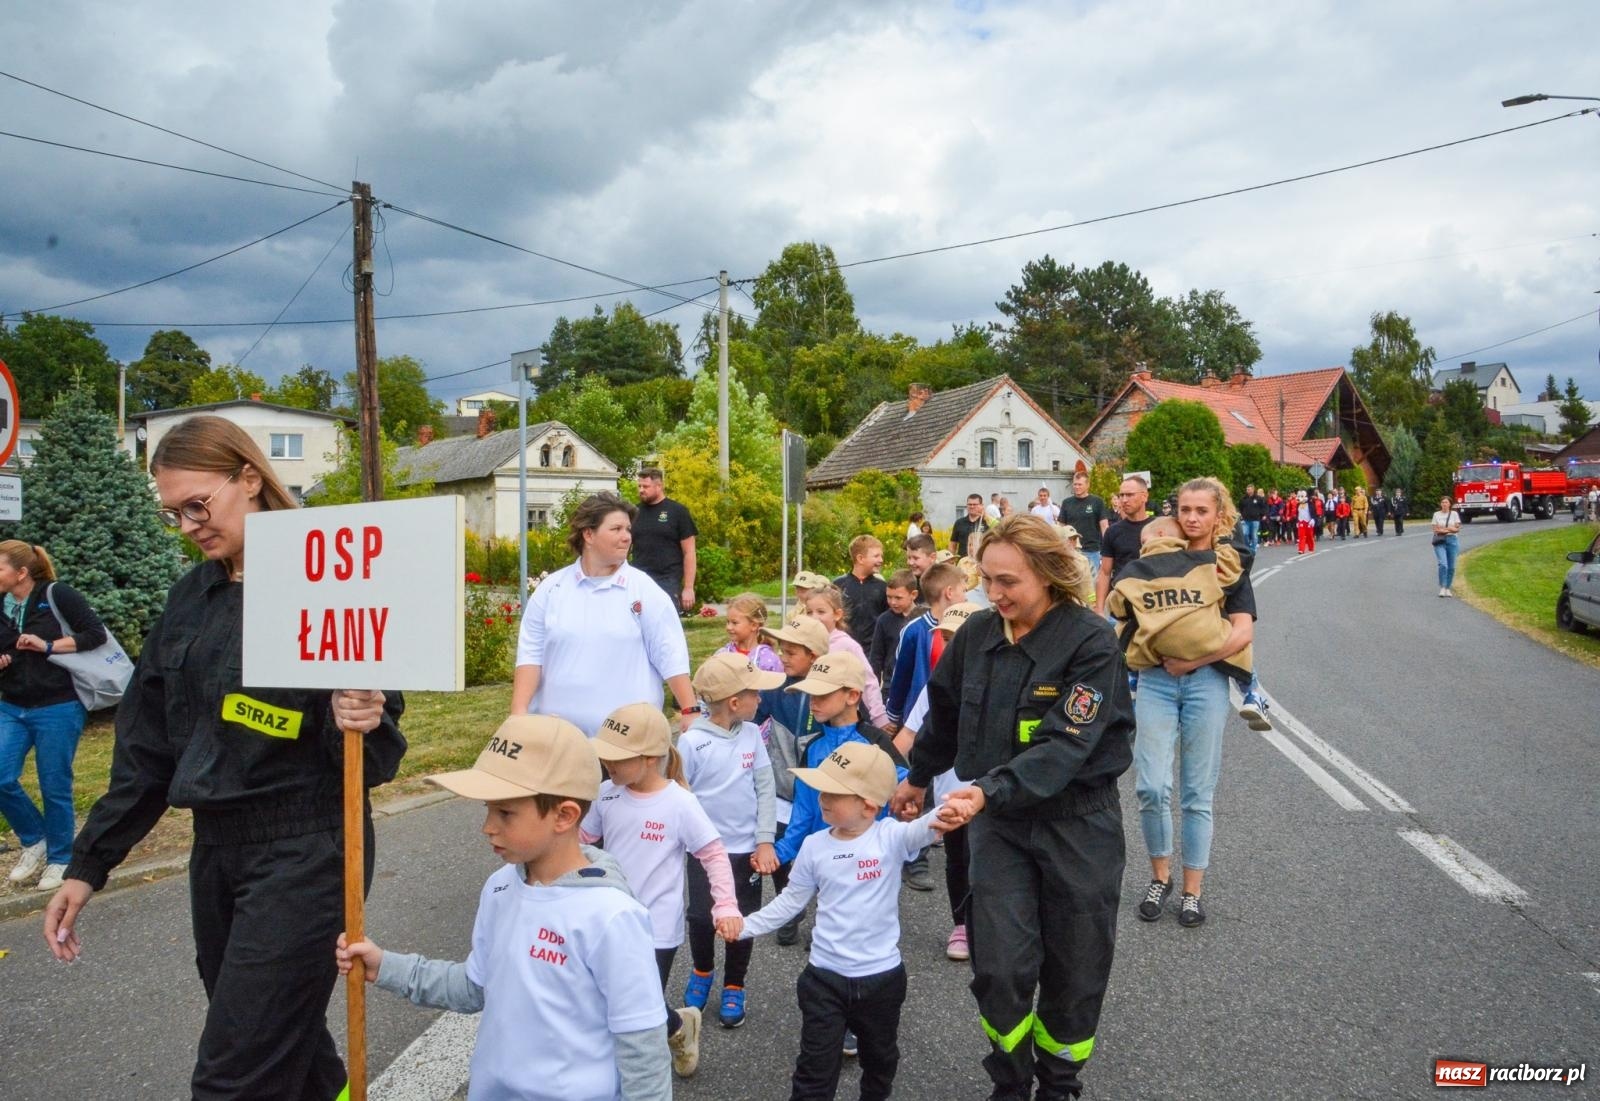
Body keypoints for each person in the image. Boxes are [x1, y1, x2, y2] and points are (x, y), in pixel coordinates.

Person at [43, 414, 407, 1100]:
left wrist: (362, 717)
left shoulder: (327, 582)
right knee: (284, 1044)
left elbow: (372, 754)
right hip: (216, 851)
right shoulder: (189, 599)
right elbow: (146, 752)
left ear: (249, 478)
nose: (187, 526)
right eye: (172, 513)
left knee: (233, 1076)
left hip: (306, 850)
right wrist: (88, 864)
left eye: (197, 505)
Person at [894, 513, 1134, 1101]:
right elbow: (945, 712)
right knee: (999, 967)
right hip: (999, 825)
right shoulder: (976, 634)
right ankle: (1010, 1079)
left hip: (1078, 823)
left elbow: (1065, 746)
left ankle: (1058, 1082)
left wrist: (985, 790)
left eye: (1008, 582)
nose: (994, 594)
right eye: (987, 580)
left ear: (1047, 574)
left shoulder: (1091, 642)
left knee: (1075, 969)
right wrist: (918, 777)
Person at [337, 714, 671, 1100]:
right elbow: (474, 987)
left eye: (505, 813)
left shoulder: (612, 916)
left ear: (564, 815)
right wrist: (386, 966)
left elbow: (643, 1048)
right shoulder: (499, 887)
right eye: (488, 809)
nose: (487, 826)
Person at [730, 744, 950, 1101]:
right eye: (821, 790)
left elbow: (926, 827)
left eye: (834, 793)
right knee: (814, 1071)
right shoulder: (814, 846)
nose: (823, 798)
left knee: (881, 1060)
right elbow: (790, 900)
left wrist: (953, 807)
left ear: (869, 806)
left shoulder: (890, 837)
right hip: (824, 978)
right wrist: (745, 926)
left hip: (882, 979)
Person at [581, 702, 740, 1078]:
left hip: (656, 927)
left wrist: (726, 906)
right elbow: (582, 841)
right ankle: (679, 1026)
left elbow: (714, 854)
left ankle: (638, 1074)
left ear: (650, 757)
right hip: (609, 920)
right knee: (617, 998)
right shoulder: (605, 794)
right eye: (604, 755)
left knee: (637, 1008)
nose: (607, 763)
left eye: (617, 757)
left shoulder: (680, 803)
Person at [1127, 478, 1255, 933]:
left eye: (1202, 510)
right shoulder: (1155, 558)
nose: (1193, 518)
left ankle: (1192, 892)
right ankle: (1159, 878)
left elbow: (1242, 631)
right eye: (1185, 509)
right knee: (1150, 786)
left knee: (1197, 793)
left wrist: (1192, 661)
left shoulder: (1228, 565)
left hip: (1205, 682)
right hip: (1155, 680)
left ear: (1218, 515)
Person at [513, 492, 696, 736]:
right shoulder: (551, 589)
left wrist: (690, 710)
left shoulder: (644, 590)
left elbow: (670, 654)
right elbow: (530, 655)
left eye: (628, 529)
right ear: (588, 534)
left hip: (628, 742)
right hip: (557, 741)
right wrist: (518, 713)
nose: (627, 537)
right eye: (616, 529)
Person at [679, 652, 783, 1028]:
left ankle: (735, 983)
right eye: (755, 693)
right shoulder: (691, 743)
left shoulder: (753, 735)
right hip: (704, 852)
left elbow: (765, 789)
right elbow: (679, 797)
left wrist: (765, 840)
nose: (761, 698)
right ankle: (702, 970)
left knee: (743, 919)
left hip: (746, 851)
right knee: (700, 917)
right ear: (735, 703)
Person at [0, 541, 108, 892]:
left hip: (58, 705)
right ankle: (35, 840)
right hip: (12, 705)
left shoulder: (57, 594)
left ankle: (61, 858)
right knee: (1, 777)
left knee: (54, 784)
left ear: (21, 573)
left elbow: (94, 635)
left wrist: (47, 645)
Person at [754, 614, 831, 946]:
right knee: (781, 851)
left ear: (814, 656)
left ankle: (827, 922)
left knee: (827, 858)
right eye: (781, 650)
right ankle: (789, 907)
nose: (782, 657)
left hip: (823, 794)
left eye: (790, 652)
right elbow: (751, 718)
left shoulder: (831, 691)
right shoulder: (775, 688)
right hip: (782, 790)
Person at [803, 585, 890, 728]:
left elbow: (867, 681)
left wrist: (879, 717)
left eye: (821, 612)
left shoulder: (847, 645)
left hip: (840, 721)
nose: (814, 617)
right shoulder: (803, 644)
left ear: (837, 615)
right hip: (808, 718)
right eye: (809, 612)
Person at [630, 467, 698, 613]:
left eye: (646, 486)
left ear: (659, 486)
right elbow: (624, 547)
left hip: (667, 582)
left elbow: (689, 552)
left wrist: (688, 587)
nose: (641, 490)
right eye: (639, 486)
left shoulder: (678, 512)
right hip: (638, 580)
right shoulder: (634, 512)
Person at [1095, 474, 1153, 615]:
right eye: (1121, 495)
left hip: (1153, 602)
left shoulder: (1158, 528)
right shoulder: (1113, 531)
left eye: (1130, 495)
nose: (1124, 500)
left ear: (1144, 496)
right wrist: (1099, 609)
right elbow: (1105, 572)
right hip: (1123, 605)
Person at [834, 535, 888, 651]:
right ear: (860, 559)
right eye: (876, 556)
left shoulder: (883, 587)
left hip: (872, 651)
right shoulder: (838, 585)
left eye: (881, 556)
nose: (881, 560)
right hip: (844, 649)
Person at [868, 569, 920, 688]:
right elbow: (876, 657)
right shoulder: (884, 620)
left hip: (915, 683)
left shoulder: (924, 618)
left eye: (898, 598)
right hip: (890, 684)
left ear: (913, 595)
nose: (893, 602)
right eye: (889, 597)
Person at [1058, 471, 1110, 573]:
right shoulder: (1066, 503)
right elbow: (1061, 527)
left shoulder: (1097, 502)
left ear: (1087, 485)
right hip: (1071, 551)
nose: (1077, 487)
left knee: (1092, 581)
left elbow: (1104, 526)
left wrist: (1107, 548)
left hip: (1092, 550)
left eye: (1080, 484)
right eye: (1075, 484)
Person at [719, 591, 783, 673]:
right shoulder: (722, 655)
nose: (728, 627)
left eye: (734, 623)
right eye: (728, 622)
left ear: (754, 625)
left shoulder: (769, 660)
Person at [1431, 497, 1464, 598]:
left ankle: (1447, 588)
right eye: (1442, 502)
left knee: (1451, 566)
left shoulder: (1454, 514)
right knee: (1443, 564)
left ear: (1450, 504)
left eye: (1446, 502)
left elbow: (1457, 528)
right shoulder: (1436, 514)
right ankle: (1442, 586)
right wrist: (1449, 529)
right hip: (1440, 541)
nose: (1444, 504)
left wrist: (1445, 529)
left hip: (1452, 541)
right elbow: (1435, 529)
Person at [1237, 484, 1265, 555]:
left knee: (1254, 535)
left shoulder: (1258, 498)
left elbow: (1263, 507)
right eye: (1247, 489)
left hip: (1255, 520)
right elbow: (1240, 507)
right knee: (1244, 534)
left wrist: (1261, 515)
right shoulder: (1243, 499)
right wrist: (1241, 514)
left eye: (1249, 489)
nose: (1247, 491)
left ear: (1253, 490)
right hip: (1246, 520)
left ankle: (1253, 550)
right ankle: (1248, 548)